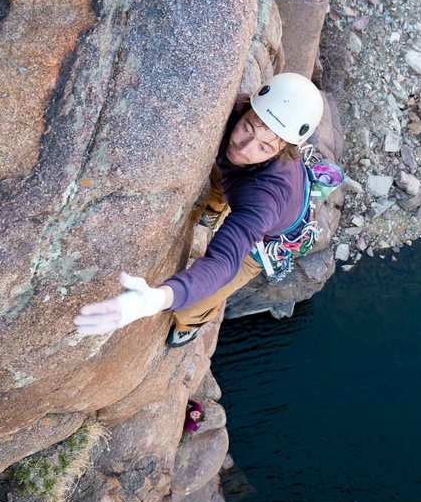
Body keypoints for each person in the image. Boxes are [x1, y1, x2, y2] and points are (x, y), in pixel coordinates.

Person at [73, 72, 324, 347]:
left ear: (280, 152)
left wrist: (155, 299)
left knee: (194, 304)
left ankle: (194, 322)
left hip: (269, 238)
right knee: (221, 172)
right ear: (248, 109)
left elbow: (223, 263)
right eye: (248, 128)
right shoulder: (236, 109)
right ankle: (215, 208)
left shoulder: (265, 198)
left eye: (264, 147)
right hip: (239, 183)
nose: (244, 147)